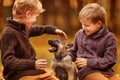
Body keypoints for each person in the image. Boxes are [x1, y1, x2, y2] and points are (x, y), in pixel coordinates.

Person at [0, 0, 67, 80]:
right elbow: (8, 60)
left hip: (29, 71)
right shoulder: (9, 33)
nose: (35, 20)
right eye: (35, 16)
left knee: (51, 77)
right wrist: (33, 64)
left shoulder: (22, 28)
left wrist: (54, 30)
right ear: (28, 14)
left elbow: (38, 29)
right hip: (16, 75)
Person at [67, 3, 120, 80]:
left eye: (87, 25)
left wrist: (89, 62)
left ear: (99, 24)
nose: (83, 27)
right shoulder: (79, 35)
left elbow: (110, 59)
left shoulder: (110, 38)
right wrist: (66, 58)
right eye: (82, 24)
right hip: (87, 72)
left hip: (107, 72)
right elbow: (73, 51)